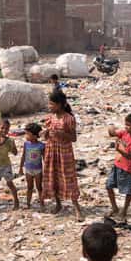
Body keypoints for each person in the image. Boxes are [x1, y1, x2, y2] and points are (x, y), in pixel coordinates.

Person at [42, 90, 83, 221]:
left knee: (68, 178)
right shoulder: (50, 118)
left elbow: (74, 138)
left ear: (60, 105)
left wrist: (61, 134)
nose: (50, 106)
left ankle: (76, 207)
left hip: (64, 153)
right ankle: (58, 204)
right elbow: (47, 135)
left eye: (52, 104)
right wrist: (46, 134)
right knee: (53, 176)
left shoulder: (69, 119)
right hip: (51, 151)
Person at [106, 113, 131, 222]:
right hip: (117, 165)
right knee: (108, 186)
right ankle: (115, 207)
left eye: (129, 125)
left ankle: (124, 210)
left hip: (126, 169)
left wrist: (119, 150)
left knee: (127, 191)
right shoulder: (124, 133)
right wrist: (110, 126)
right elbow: (112, 133)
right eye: (125, 125)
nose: (126, 127)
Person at [19, 122, 45, 210]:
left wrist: (46, 170)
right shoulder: (26, 144)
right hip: (28, 169)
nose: (26, 136)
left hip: (38, 170)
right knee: (29, 187)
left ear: (34, 135)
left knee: (39, 187)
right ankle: (28, 204)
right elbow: (23, 156)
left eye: (27, 134)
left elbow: (44, 158)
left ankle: (42, 204)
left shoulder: (41, 145)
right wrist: (20, 168)